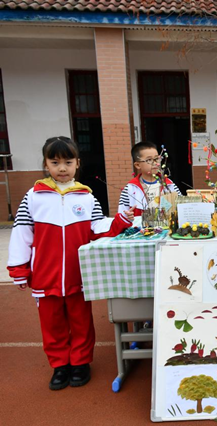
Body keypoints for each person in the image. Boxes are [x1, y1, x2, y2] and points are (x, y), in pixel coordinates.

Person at [7, 136, 134, 390]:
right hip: (45, 275)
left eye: (68, 162)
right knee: (51, 323)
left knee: (81, 321)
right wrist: (19, 268)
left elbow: (98, 228)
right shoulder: (33, 196)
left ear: (78, 163)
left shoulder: (86, 197)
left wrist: (120, 220)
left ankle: (80, 363)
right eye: (55, 162)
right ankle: (59, 365)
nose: (62, 168)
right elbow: (22, 232)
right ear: (46, 164)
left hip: (79, 274)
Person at [118, 141, 181, 217]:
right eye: (149, 160)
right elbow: (121, 215)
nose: (155, 163)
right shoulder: (130, 189)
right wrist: (128, 217)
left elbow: (181, 207)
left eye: (157, 158)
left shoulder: (169, 185)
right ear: (137, 165)